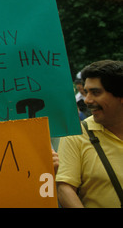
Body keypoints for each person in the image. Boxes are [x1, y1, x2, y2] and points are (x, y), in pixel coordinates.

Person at [56, 60, 123, 208]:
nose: (87, 100)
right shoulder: (76, 134)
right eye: (86, 92)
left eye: (96, 92)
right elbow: (65, 188)